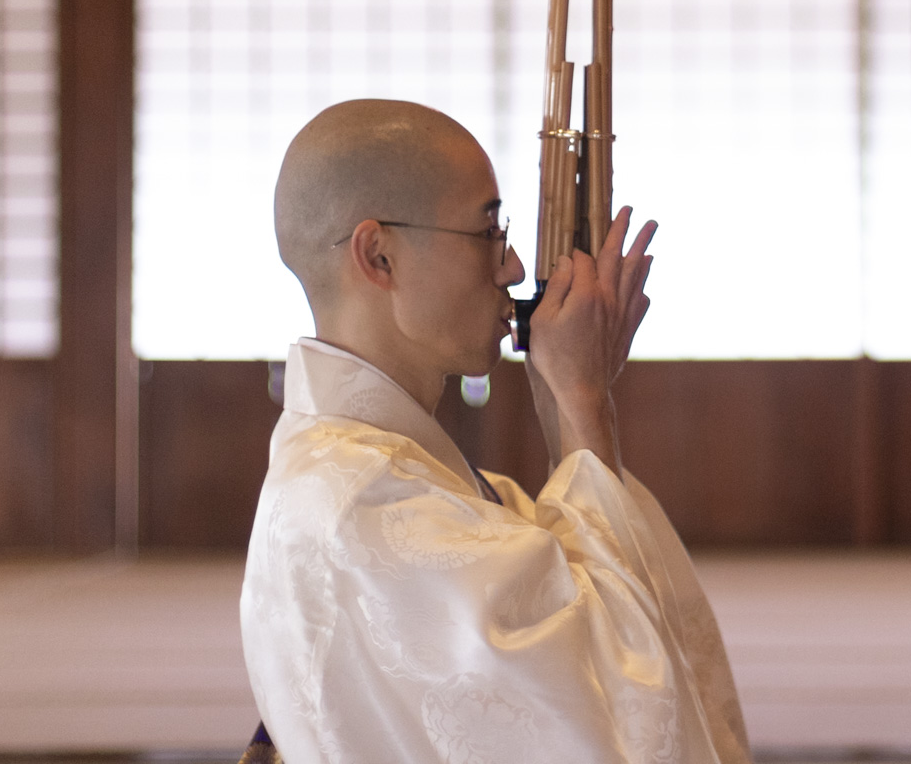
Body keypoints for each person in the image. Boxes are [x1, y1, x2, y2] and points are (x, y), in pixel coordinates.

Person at [240, 99, 751, 763]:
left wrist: (564, 398)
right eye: (488, 232)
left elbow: (583, 590)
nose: (511, 267)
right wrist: (583, 397)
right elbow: (615, 712)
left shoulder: (376, 471)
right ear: (379, 255)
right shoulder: (364, 502)